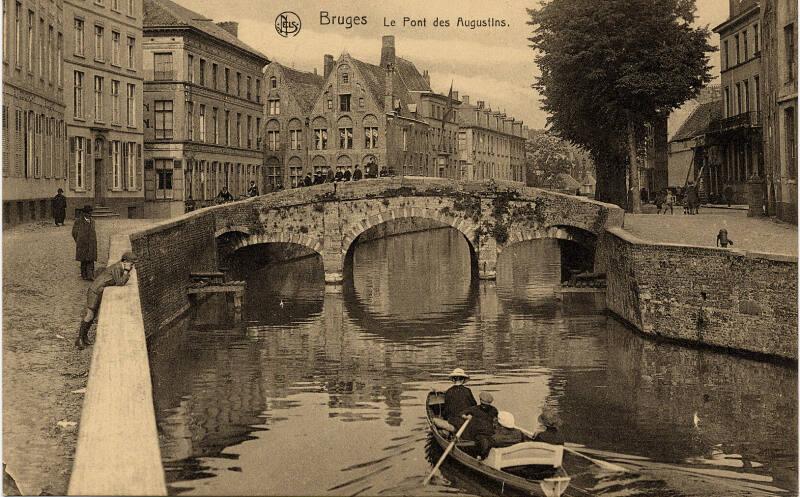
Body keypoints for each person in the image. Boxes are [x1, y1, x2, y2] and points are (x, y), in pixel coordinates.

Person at [75, 251, 138, 349]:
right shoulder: (117, 268)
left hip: (98, 291)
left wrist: (126, 272)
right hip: (95, 291)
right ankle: (79, 339)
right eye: (131, 263)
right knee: (90, 315)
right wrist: (126, 272)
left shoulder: (119, 267)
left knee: (93, 315)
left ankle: (84, 337)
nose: (132, 266)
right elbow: (120, 283)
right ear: (125, 261)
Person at [460, 392, 499, 459]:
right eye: (483, 404)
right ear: (480, 401)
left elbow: (496, 420)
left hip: (490, 432)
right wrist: (466, 417)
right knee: (484, 443)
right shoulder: (474, 409)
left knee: (494, 442)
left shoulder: (494, 410)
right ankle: (481, 457)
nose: (484, 406)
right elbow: (462, 413)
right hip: (479, 433)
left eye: (486, 405)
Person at [72, 205, 97, 280]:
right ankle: (84, 275)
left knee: (91, 259)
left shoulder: (92, 221)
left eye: (90, 213)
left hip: (91, 243)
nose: (90, 214)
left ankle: (91, 275)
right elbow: (74, 232)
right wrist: (79, 240)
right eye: (88, 213)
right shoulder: (78, 221)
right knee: (83, 260)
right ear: (84, 213)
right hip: (82, 243)